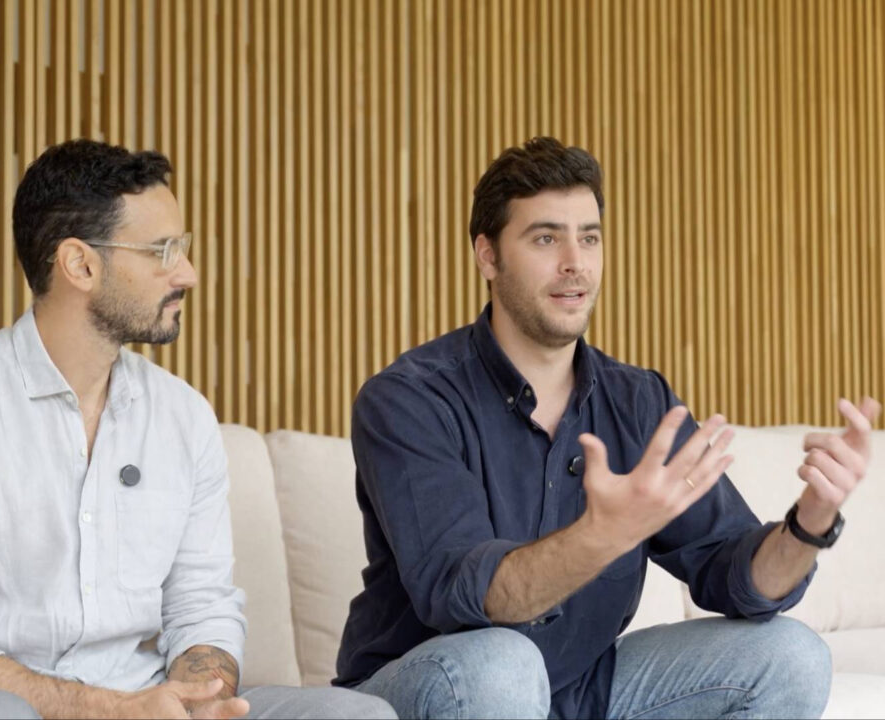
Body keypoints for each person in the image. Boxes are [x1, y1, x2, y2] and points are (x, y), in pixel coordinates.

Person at [333, 136, 880, 719]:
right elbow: (461, 595)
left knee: (791, 656)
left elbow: (733, 575)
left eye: (589, 238)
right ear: (487, 257)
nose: (576, 262)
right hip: (434, 687)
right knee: (502, 664)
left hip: (583, 691)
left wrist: (810, 523)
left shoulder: (637, 402)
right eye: (546, 238)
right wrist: (603, 535)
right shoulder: (409, 399)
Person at [0, 139, 396, 720]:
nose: (187, 273)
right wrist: (111, 709)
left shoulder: (182, 416)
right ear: (80, 265)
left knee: (358, 717)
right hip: (3, 708)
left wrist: (198, 698)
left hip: (147, 705)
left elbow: (202, 606)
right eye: (164, 251)